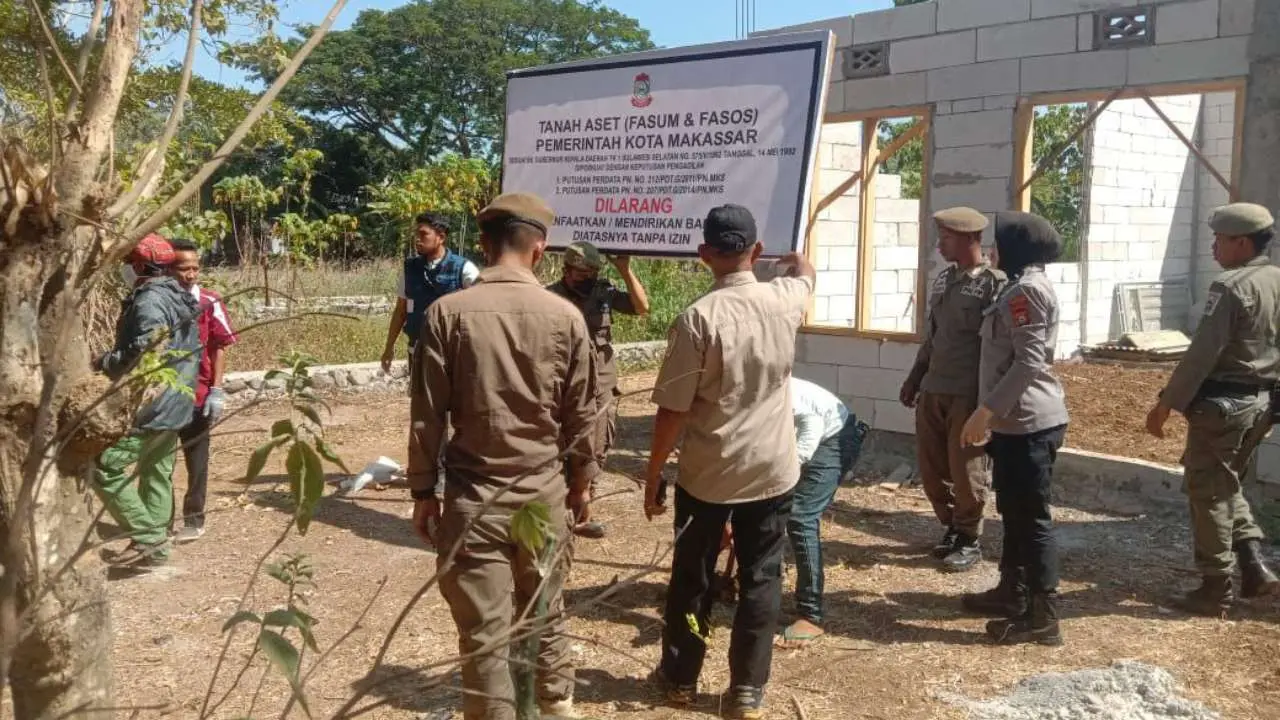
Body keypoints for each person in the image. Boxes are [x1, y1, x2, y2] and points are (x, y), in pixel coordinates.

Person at [406, 193, 600, 720]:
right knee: (545, 612)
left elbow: (427, 415)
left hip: (474, 501)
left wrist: (423, 492)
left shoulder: (446, 314)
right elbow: (582, 417)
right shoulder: (566, 317)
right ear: (539, 249)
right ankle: (556, 706)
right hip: (542, 495)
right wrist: (581, 486)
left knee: (484, 635)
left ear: (484, 245)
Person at [644, 204, 815, 720]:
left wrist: (652, 473)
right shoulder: (785, 298)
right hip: (771, 470)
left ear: (704, 254)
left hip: (709, 474)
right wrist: (798, 261)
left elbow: (673, 411)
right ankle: (745, 690)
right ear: (756, 251)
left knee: (693, 578)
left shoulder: (697, 319)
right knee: (762, 577)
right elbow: (807, 277)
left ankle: (680, 678)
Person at [1145, 202, 1280, 615]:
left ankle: (1215, 586)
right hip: (1261, 402)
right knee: (1226, 482)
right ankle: (1253, 567)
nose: (1213, 247)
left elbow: (1202, 353)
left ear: (1242, 242)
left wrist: (1166, 404)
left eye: (1220, 239)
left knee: (1208, 492)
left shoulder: (1231, 286)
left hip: (1225, 404)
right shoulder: (1275, 279)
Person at [959, 211, 1069, 647]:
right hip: (1014, 422)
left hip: (1028, 422)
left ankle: (1043, 617)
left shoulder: (1025, 292)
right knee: (1014, 511)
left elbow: (1029, 361)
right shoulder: (1017, 286)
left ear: (1016, 249)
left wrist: (985, 412)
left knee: (1031, 518)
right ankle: (1013, 591)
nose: (991, 250)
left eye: (998, 243)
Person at [900, 207, 1005, 572]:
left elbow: (997, 346)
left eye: (946, 238)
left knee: (967, 470)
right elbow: (933, 336)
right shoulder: (944, 279)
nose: (939, 245)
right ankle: (951, 527)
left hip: (967, 393)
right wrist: (915, 377)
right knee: (932, 468)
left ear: (971, 239)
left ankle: (969, 537)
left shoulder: (993, 284)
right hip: (934, 388)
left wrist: (989, 402)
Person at [94, 234, 202, 569]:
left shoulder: (150, 300)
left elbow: (144, 351)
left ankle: (149, 538)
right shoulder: (177, 296)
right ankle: (154, 551)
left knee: (104, 467)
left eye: (128, 263)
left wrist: (104, 362)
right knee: (155, 472)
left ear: (140, 266)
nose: (125, 269)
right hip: (177, 402)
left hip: (154, 403)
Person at [547, 241, 650, 539]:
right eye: (583, 272)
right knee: (565, 442)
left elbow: (642, 308)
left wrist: (625, 270)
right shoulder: (550, 297)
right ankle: (567, 507)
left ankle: (583, 506)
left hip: (602, 380)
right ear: (567, 270)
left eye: (593, 272)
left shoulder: (603, 292)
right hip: (566, 381)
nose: (589, 277)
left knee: (599, 442)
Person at [780, 376, 867, 646]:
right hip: (807, 437)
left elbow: (810, 430)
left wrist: (785, 473)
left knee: (800, 517)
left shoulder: (776, 390)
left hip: (835, 437)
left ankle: (810, 614)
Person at [169, 239, 238, 542]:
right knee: (161, 463)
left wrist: (217, 390)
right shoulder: (158, 302)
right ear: (168, 270)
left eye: (195, 268)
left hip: (198, 395)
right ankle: (159, 522)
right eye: (183, 269)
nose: (191, 274)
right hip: (164, 397)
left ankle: (194, 518)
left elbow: (219, 347)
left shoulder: (209, 301)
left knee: (197, 462)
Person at [380, 211, 480, 374]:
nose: (417, 239)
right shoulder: (410, 269)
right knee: (417, 392)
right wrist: (389, 347)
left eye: (423, 234)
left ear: (441, 237)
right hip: (416, 353)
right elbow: (401, 311)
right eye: (416, 234)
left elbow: (480, 313)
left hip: (452, 356)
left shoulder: (464, 269)